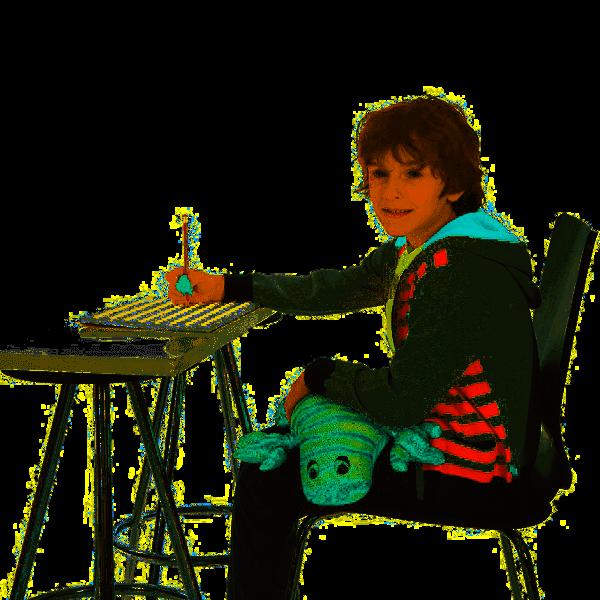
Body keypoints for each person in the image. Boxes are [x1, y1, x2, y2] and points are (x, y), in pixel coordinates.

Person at [167, 95, 544, 599]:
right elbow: (340, 288)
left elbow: (401, 402)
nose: (390, 192)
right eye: (379, 174)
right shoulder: (428, 244)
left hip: (476, 468)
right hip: (458, 439)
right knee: (288, 448)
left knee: (267, 474)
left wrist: (320, 376)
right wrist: (229, 287)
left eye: (413, 174)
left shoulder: (457, 272)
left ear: (453, 184)